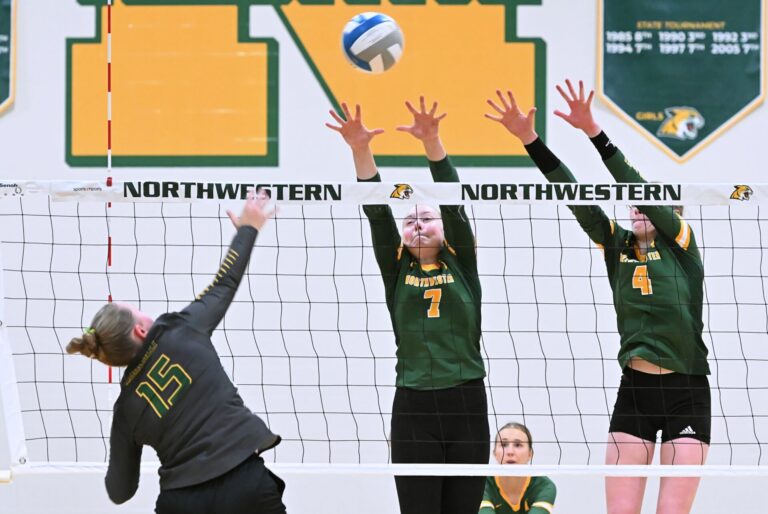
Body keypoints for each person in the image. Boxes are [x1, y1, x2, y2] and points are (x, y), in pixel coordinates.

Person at [484, 81, 710, 514]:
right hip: (636, 390)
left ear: (673, 212)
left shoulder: (681, 245)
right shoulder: (616, 243)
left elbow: (631, 181)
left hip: (688, 388)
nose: (640, 205)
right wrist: (530, 140)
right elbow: (571, 195)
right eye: (636, 202)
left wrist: (595, 133)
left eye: (653, 201)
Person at [66, 191, 286, 514]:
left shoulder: (125, 407)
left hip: (182, 503)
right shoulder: (180, 329)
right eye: (136, 309)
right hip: (244, 485)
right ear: (140, 329)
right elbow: (224, 284)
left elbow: (120, 490)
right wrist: (248, 229)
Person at [326, 98, 490, 514]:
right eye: (410, 221)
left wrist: (433, 141)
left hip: (466, 403)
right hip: (414, 406)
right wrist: (360, 149)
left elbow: (453, 201)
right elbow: (377, 212)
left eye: (426, 219)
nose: (417, 224)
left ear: (444, 229)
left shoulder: (462, 262)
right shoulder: (395, 268)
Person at [480, 422, 556, 514]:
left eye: (518, 445)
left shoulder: (544, 486)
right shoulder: (482, 485)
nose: (510, 452)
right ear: (494, 453)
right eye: (504, 444)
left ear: (530, 454)